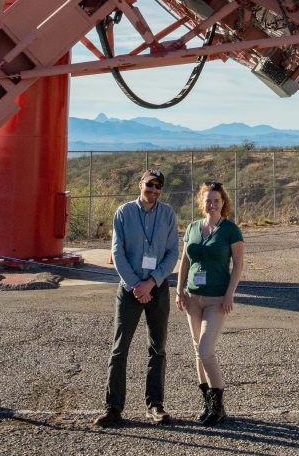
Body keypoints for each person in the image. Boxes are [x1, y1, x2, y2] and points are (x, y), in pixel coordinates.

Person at [96, 168, 178, 428]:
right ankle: (113, 407)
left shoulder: (168, 214)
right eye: (149, 184)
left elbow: (172, 252)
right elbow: (117, 252)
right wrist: (136, 285)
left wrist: (151, 282)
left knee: (158, 349)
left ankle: (155, 405)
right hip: (129, 290)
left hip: (157, 287)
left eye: (158, 186)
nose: (154, 189)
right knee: (120, 349)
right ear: (140, 184)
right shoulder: (123, 213)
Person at [176, 181, 244, 426]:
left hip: (217, 299)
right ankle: (207, 404)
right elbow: (184, 261)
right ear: (201, 203)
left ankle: (219, 404)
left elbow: (238, 264)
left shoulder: (230, 230)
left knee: (206, 350)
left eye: (216, 200)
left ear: (223, 203)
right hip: (192, 297)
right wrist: (179, 290)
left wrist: (229, 294)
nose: (212, 204)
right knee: (197, 351)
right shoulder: (193, 228)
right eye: (208, 200)